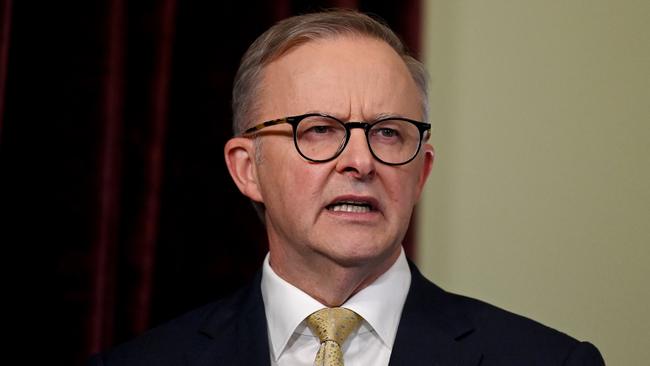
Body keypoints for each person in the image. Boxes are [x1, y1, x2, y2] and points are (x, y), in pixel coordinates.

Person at [89, 9, 605, 366]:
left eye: (387, 132)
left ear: (420, 172)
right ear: (247, 169)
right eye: (319, 130)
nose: (360, 161)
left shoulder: (550, 360)